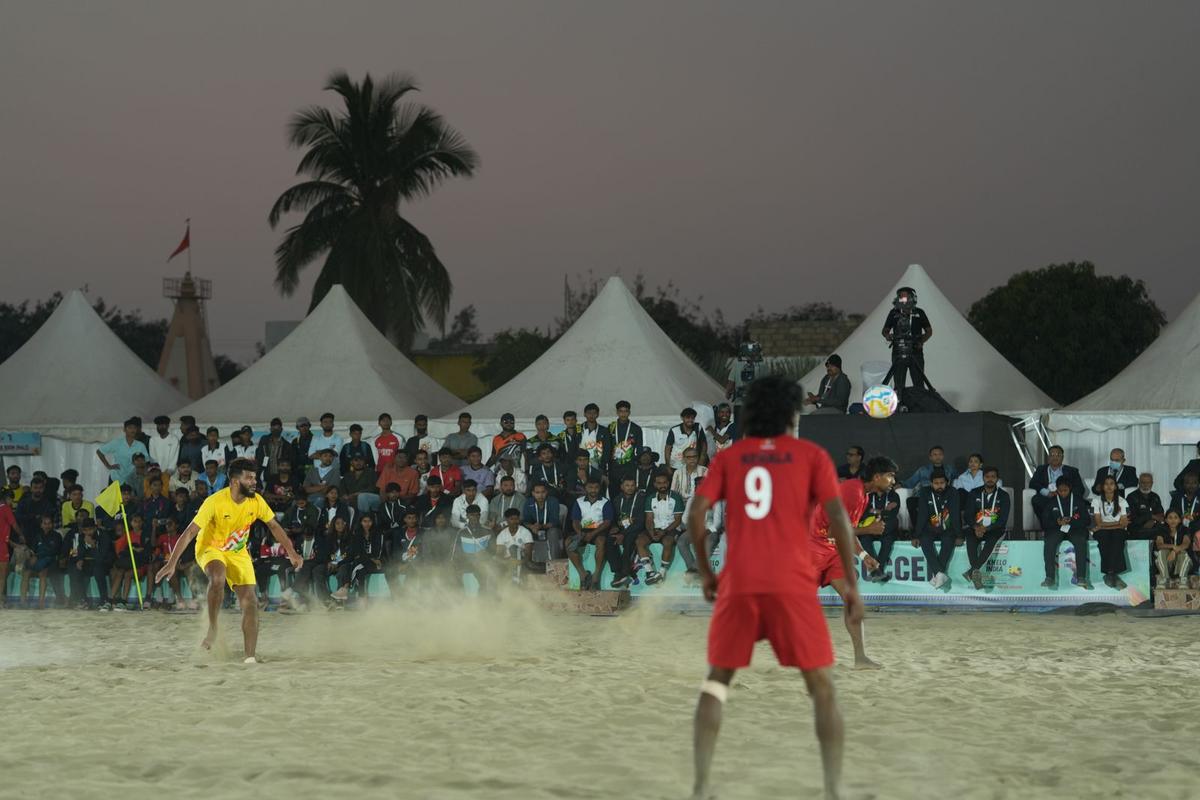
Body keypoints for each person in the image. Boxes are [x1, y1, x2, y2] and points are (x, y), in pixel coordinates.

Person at [686, 374, 863, 800]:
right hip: (792, 585)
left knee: (716, 684)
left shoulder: (731, 457)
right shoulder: (810, 455)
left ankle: (702, 787)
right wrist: (852, 586)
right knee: (821, 688)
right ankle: (834, 791)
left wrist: (708, 573)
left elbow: (696, 515)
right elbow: (839, 520)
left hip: (740, 583)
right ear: (790, 412)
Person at [155, 459, 303, 662]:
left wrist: (292, 552)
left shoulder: (257, 501)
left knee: (250, 601)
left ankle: (250, 657)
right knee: (218, 577)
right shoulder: (214, 502)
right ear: (234, 481)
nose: (254, 482)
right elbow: (189, 533)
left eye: (254, 477)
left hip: (237, 552)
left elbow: (275, 527)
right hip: (210, 548)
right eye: (249, 478)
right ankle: (213, 628)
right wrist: (172, 562)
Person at [881, 285, 932, 404]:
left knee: (918, 383)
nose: (902, 299)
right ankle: (899, 405)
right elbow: (885, 330)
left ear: (912, 297)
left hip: (915, 352)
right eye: (900, 297)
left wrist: (921, 341)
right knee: (899, 383)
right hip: (898, 351)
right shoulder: (893, 313)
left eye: (905, 296)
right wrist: (888, 336)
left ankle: (920, 405)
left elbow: (929, 331)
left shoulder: (919, 312)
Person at [1040, 476, 1093, 590]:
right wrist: (1057, 521)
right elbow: (1044, 522)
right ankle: (1049, 577)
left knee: (1080, 542)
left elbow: (1087, 520)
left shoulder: (1078, 501)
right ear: (1056, 489)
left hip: (1075, 529)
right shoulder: (1051, 502)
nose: (1063, 493)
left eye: (1065, 490)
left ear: (1070, 489)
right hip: (1056, 529)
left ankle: (1081, 577)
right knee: (1049, 542)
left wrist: (1072, 521)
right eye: (1060, 490)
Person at [963, 467, 1010, 590]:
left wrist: (986, 529)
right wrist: (976, 527)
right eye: (987, 477)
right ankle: (975, 573)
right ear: (983, 478)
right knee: (970, 536)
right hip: (976, 527)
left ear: (997, 479)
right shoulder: (974, 493)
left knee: (992, 539)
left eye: (993, 477)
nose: (990, 479)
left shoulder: (1004, 496)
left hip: (994, 529)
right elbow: (968, 514)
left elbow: (1003, 519)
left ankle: (973, 571)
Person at [914, 468, 960, 590]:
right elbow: (922, 515)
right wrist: (916, 535)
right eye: (936, 483)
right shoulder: (925, 492)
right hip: (930, 528)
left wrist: (960, 535)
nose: (939, 486)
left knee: (948, 540)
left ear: (947, 483)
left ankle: (937, 574)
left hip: (947, 527)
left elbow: (955, 515)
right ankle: (940, 574)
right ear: (931, 483)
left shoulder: (953, 492)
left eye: (942, 483)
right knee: (924, 540)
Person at [856, 457, 900, 583]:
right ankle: (878, 570)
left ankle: (877, 570)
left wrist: (864, 556)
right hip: (821, 541)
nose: (894, 481)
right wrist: (882, 511)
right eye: (891, 476)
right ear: (876, 477)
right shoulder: (857, 493)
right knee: (864, 537)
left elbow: (892, 514)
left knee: (888, 539)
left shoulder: (892, 495)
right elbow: (838, 529)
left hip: (885, 527)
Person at [635, 471, 684, 585]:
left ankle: (661, 573)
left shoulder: (676, 497)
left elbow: (677, 520)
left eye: (665, 482)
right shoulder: (650, 498)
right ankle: (650, 572)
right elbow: (649, 519)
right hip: (655, 528)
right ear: (655, 484)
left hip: (671, 528)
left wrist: (664, 531)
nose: (662, 485)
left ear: (668, 483)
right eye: (659, 483)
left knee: (668, 542)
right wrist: (651, 532)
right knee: (639, 541)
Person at [567, 478, 614, 591]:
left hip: (599, 530)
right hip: (582, 531)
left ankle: (595, 578)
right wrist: (580, 533)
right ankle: (583, 575)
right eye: (590, 487)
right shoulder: (579, 501)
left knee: (601, 542)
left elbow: (607, 522)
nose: (594, 490)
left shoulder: (605, 502)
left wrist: (593, 534)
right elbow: (575, 521)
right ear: (585, 488)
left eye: (596, 487)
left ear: (600, 488)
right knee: (568, 542)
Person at [331, 514, 385, 603]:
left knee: (357, 562)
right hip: (363, 562)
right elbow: (356, 552)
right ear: (361, 522)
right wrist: (339, 562)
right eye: (365, 521)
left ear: (373, 522)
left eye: (369, 521)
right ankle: (362, 599)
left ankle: (345, 587)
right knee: (360, 571)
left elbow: (378, 553)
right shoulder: (357, 535)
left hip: (376, 563)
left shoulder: (379, 534)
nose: (367, 524)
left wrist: (371, 559)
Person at [1029, 446, 1087, 523]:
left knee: (1079, 503)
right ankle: (1048, 525)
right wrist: (1047, 492)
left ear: (1062, 457)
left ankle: (1069, 523)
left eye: (1058, 455)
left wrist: (1064, 493)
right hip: (1048, 498)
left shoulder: (1072, 471)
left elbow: (1080, 488)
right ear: (1048, 457)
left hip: (1066, 499)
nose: (1055, 457)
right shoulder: (1041, 469)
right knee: (1036, 500)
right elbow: (1033, 483)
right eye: (1052, 455)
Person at [1092, 475, 1130, 589]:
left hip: (1118, 531)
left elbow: (1124, 524)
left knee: (1118, 538)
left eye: (1111, 484)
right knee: (1104, 540)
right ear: (1102, 487)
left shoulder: (1122, 501)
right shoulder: (1096, 501)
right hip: (1103, 531)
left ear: (1115, 486)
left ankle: (1110, 574)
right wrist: (1116, 524)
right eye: (1106, 484)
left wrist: (1104, 526)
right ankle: (1113, 574)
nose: (1109, 486)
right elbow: (1098, 522)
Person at [902, 445, 955, 524]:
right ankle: (917, 529)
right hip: (926, 496)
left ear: (943, 456)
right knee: (911, 501)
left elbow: (960, 479)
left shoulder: (950, 469)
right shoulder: (923, 470)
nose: (938, 457)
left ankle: (947, 528)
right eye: (935, 455)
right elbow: (910, 482)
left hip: (944, 496)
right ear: (930, 457)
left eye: (940, 454)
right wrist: (899, 484)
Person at [609, 476, 645, 589]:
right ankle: (617, 571)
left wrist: (623, 534)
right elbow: (613, 518)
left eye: (632, 485)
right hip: (621, 529)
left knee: (629, 540)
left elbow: (640, 521)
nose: (630, 488)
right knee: (609, 540)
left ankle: (624, 573)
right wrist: (615, 527)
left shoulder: (641, 498)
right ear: (621, 487)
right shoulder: (616, 499)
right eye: (627, 485)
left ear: (636, 486)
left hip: (636, 529)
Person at [1167, 471, 1200, 586]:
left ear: (1198, 484)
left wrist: (1194, 517)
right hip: (1180, 526)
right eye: (1188, 483)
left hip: (1197, 526)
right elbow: (1171, 512)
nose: (1191, 485)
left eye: (1194, 483)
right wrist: (1181, 518)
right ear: (1184, 484)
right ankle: (1177, 569)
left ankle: (1195, 567)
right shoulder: (1177, 497)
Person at [96, 418, 150, 486]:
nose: (132, 430)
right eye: (130, 428)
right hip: (116, 478)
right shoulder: (117, 442)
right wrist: (108, 466)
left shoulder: (140, 445)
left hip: (132, 480)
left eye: (134, 428)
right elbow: (99, 451)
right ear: (124, 429)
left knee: (129, 496)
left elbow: (146, 461)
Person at [607, 401, 643, 496]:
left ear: (629, 412)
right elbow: (607, 448)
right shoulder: (611, 427)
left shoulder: (636, 428)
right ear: (617, 412)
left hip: (629, 467)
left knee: (629, 493)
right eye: (621, 411)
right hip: (614, 467)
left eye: (626, 411)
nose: (623, 414)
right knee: (614, 494)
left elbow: (639, 449)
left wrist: (634, 461)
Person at [522, 482, 563, 562]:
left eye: (543, 492)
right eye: (537, 492)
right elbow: (525, 521)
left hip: (550, 529)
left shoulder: (553, 501)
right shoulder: (528, 502)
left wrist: (541, 526)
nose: (540, 495)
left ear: (546, 492)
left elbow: (554, 521)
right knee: (524, 531)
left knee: (553, 532)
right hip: (533, 529)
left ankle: (554, 563)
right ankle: (528, 563)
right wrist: (532, 527)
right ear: (533, 493)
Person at [495, 508, 535, 583]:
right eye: (512, 519)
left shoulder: (525, 532)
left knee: (514, 548)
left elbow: (529, 556)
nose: (515, 521)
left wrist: (519, 562)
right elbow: (498, 555)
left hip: (522, 562)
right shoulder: (502, 535)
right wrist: (507, 562)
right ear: (506, 520)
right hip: (508, 562)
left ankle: (516, 581)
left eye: (517, 519)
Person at [1155, 510, 1192, 588]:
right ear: (1166, 520)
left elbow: (1186, 544)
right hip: (1168, 563)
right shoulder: (1161, 529)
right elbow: (1159, 544)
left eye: (1176, 517)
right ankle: (1164, 578)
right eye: (1170, 518)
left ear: (1180, 520)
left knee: (1183, 552)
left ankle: (1183, 580)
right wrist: (1172, 546)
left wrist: (1175, 551)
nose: (1173, 520)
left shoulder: (1185, 529)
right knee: (1162, 552)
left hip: (1182, 562)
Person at [1126, 473, 1166, 541]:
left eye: (1148, 482)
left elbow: (1160, 514)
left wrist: (1153, 521)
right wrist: (1151, 516)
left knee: (1164, 530)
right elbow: (1130, 518)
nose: (1145, 485)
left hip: (1154, 526)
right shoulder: (1131, 497)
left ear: (1152, 483)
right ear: (1139, 483)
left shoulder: (1155, 497)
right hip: (1137, 528)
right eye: (1143, 482)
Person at [665, 408, 707, 472]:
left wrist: (702, 458)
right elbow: (667, 448)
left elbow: (704, 443)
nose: (690, 420)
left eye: (692, 418)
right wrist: (668, 465)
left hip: (692, 464)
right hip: (676, 465)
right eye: (687, 418)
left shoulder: (698, 427)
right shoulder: (674, 430)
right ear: (682, 418)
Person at [255, 418, 296, 483]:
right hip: (266, 475)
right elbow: (259, 457)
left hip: (280, 477)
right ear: (270, 429)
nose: (276, 430)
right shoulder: (264, 440)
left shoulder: (287, 445)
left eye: (278, 429)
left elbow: (290, 463)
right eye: (274, 429)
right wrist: (258, 474)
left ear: (281, 429)